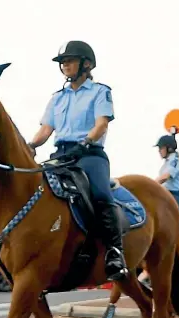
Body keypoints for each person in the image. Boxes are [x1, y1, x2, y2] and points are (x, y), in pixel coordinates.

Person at [27, 40, 128, 281]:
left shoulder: (100, 91)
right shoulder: (57, 98)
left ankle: (115, 252)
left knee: (100, 195)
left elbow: (101, 124)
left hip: (89, 155)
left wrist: (84, 144)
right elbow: (45, 130)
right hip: (60, 155)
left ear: (87, 64)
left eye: (69, 60)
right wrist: (29, 145)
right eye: (62, 62)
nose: (64, 65)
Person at [154, 128, 179, 259]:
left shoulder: (176, 159)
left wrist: (150, 184)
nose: (159, 151)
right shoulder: (167, 161)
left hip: (178, 195)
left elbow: (165, 177)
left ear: (169, 148)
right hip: (167, 195)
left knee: (172, 215)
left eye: (161, 148)